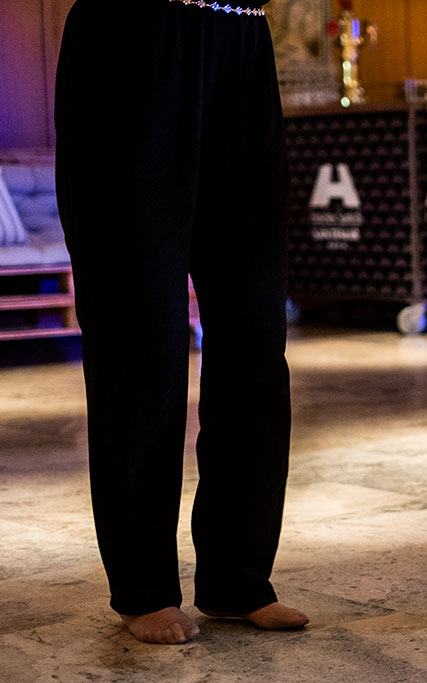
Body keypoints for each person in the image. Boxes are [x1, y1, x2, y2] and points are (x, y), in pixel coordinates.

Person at [55, 0, 308, 644]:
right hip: (132, 44)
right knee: (140, 332)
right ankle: (142, 586)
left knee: (254, 331)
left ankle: (237, 578)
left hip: (244, 39)